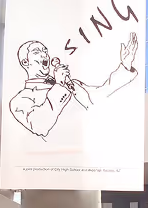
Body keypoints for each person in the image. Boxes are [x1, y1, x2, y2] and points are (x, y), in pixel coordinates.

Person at [9, 33, 138, 139]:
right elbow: (40, 125)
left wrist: (125, 65)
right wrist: (59, 85)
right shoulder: (20, 100)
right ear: (25, 62)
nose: (45, 55)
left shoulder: (71, 84)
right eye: (37, 52)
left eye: (45, 51)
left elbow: (102, 93)